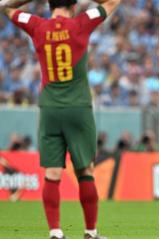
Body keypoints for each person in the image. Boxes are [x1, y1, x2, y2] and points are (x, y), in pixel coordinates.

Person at [0, 0, 121, 238]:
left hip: (49, 108)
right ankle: (90, 232)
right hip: (78, 108)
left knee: (52, 174)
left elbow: (6, 8)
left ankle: (55, 232)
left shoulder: (37, 25)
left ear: (48, 5)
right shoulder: (81, 23)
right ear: (74, 6)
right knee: (85, 171)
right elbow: (113, 1)